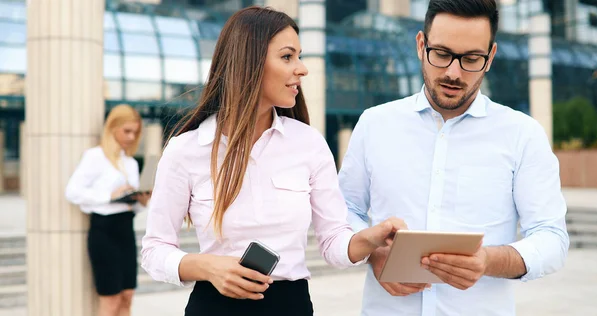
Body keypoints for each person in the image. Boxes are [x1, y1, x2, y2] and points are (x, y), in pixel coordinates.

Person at [140, 6, 406, 316]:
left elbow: (333, 243)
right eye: (287, 57)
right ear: (249, 63)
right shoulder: (186, 150)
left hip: (291, 305)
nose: (302, 69)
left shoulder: (309, 144)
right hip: (214, 306)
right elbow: (154, 250)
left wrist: (369, 238)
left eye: (300, 56)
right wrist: (206, 266)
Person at [339, 0, 570, 315]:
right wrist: (372, 251)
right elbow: (343, 211)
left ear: (490, 58)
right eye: (443, 54)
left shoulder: (522, 134)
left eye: (471, 59)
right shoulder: (374, 124)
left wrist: (488, 260)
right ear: (421, 45)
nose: (453, 72)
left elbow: (552, 238)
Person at [65, 104, 151, 316]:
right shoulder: (95, 156)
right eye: (127, 131)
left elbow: (134, 207)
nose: (131, 137)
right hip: (104, 232)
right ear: (112, 128)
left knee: (127, 296)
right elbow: (72, 192)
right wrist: (109, 196)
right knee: (111, 299)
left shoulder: (130, 162)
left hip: (126, 229)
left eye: (135, 132)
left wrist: (142, 201)